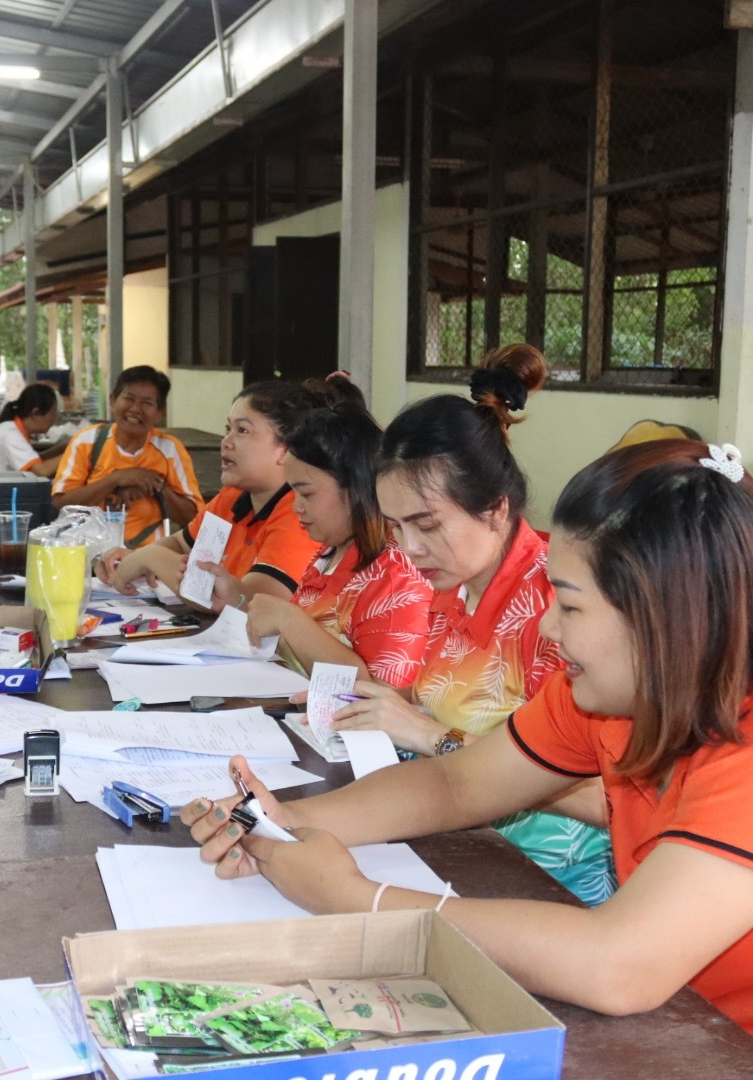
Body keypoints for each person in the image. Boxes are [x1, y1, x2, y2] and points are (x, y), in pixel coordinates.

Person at [183, 438, 753, 1033]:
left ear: (666, 615)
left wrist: (357, 900)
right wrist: (284, 826)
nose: (549, 627)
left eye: (572, 606)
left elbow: (616, 965)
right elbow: (456, 784)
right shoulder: (602, 697)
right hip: (682, 1020)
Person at [303, 345, 613, 904]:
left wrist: (427, 734)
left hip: (545, 881)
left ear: (495, 509)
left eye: (426, 525)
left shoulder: (557, 608)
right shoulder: (449, 585)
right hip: (458, 843)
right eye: (395, 527)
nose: (409, 549)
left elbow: (601, 797)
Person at [242, 404, 432, 685]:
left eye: (306, 493)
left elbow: (383, 693)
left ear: (355, 487)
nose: (296, 507)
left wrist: (289, 620)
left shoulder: (396, 575)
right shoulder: (331, 552)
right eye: (292, 492)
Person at [99, 381, 332, 609]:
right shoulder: (233, 496)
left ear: (286, 450)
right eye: (227, 429)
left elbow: (242, 602)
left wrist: (149, 558)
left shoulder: (299, 511)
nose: (226, 442)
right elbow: (180, 544)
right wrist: (131, 559)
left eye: (242, 430)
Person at [52, 365, 203, 547]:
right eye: (128, 398)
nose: (135, 409)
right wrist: (116, 479)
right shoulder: (87, 441)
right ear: (112, 400)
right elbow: (62, 503)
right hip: (89, 556)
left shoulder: (169, 450)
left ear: (160, 412)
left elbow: (194, 517)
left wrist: (155, 487)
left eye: (147, 403)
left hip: (148, 560)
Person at [0, 383, 59, 478]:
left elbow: (35, 459)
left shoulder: (9, 427)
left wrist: (61, 448)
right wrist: (73, 450)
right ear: (35, 413)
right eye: (52, 413)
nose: (54, 419)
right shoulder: (11, 435)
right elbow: (42, 471)